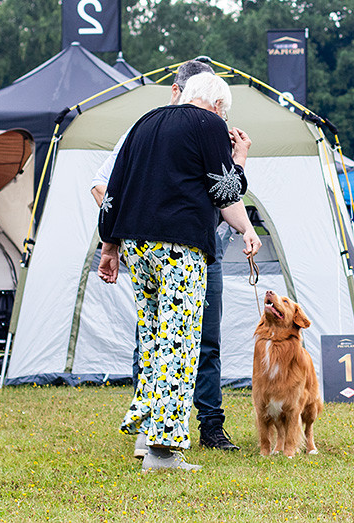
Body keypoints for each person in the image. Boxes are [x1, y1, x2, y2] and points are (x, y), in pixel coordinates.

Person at [98, 72, 261, 471]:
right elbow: (225, 191)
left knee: (153, 338)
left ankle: (147, 427)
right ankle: (163, 451)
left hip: (136, 245)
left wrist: (109, 246)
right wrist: (239, 159)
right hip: (179, 247)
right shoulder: (209, 124)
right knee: (180, 340)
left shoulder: (144, 122)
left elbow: (114, 189)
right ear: (219, 106)